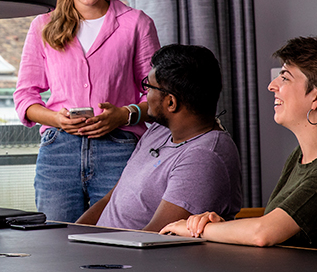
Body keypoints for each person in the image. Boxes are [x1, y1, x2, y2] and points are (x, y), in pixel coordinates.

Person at [161, 36, 317, 251]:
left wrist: (191, 229)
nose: (272, 86)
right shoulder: (301, 156)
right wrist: (222, 227)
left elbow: (263, 233)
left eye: (285, 78)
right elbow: (275, 232)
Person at [14, 0, 161, 222]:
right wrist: (56, 118)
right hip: (58, 153)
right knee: (56, 249)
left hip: (120, 150)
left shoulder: (136, 24)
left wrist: (123, 115)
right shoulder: (43, 25)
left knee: (118, 244)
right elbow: (25, 97)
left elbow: (158, 97)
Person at [76, 44, 242, 231]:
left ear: (171, 102)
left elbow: (154, 238)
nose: (145, 94)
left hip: (126, 257)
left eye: (148, 86)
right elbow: (110, 200)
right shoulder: (159, 131)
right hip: (98, 250)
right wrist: (72, 235)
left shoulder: (204, 157)